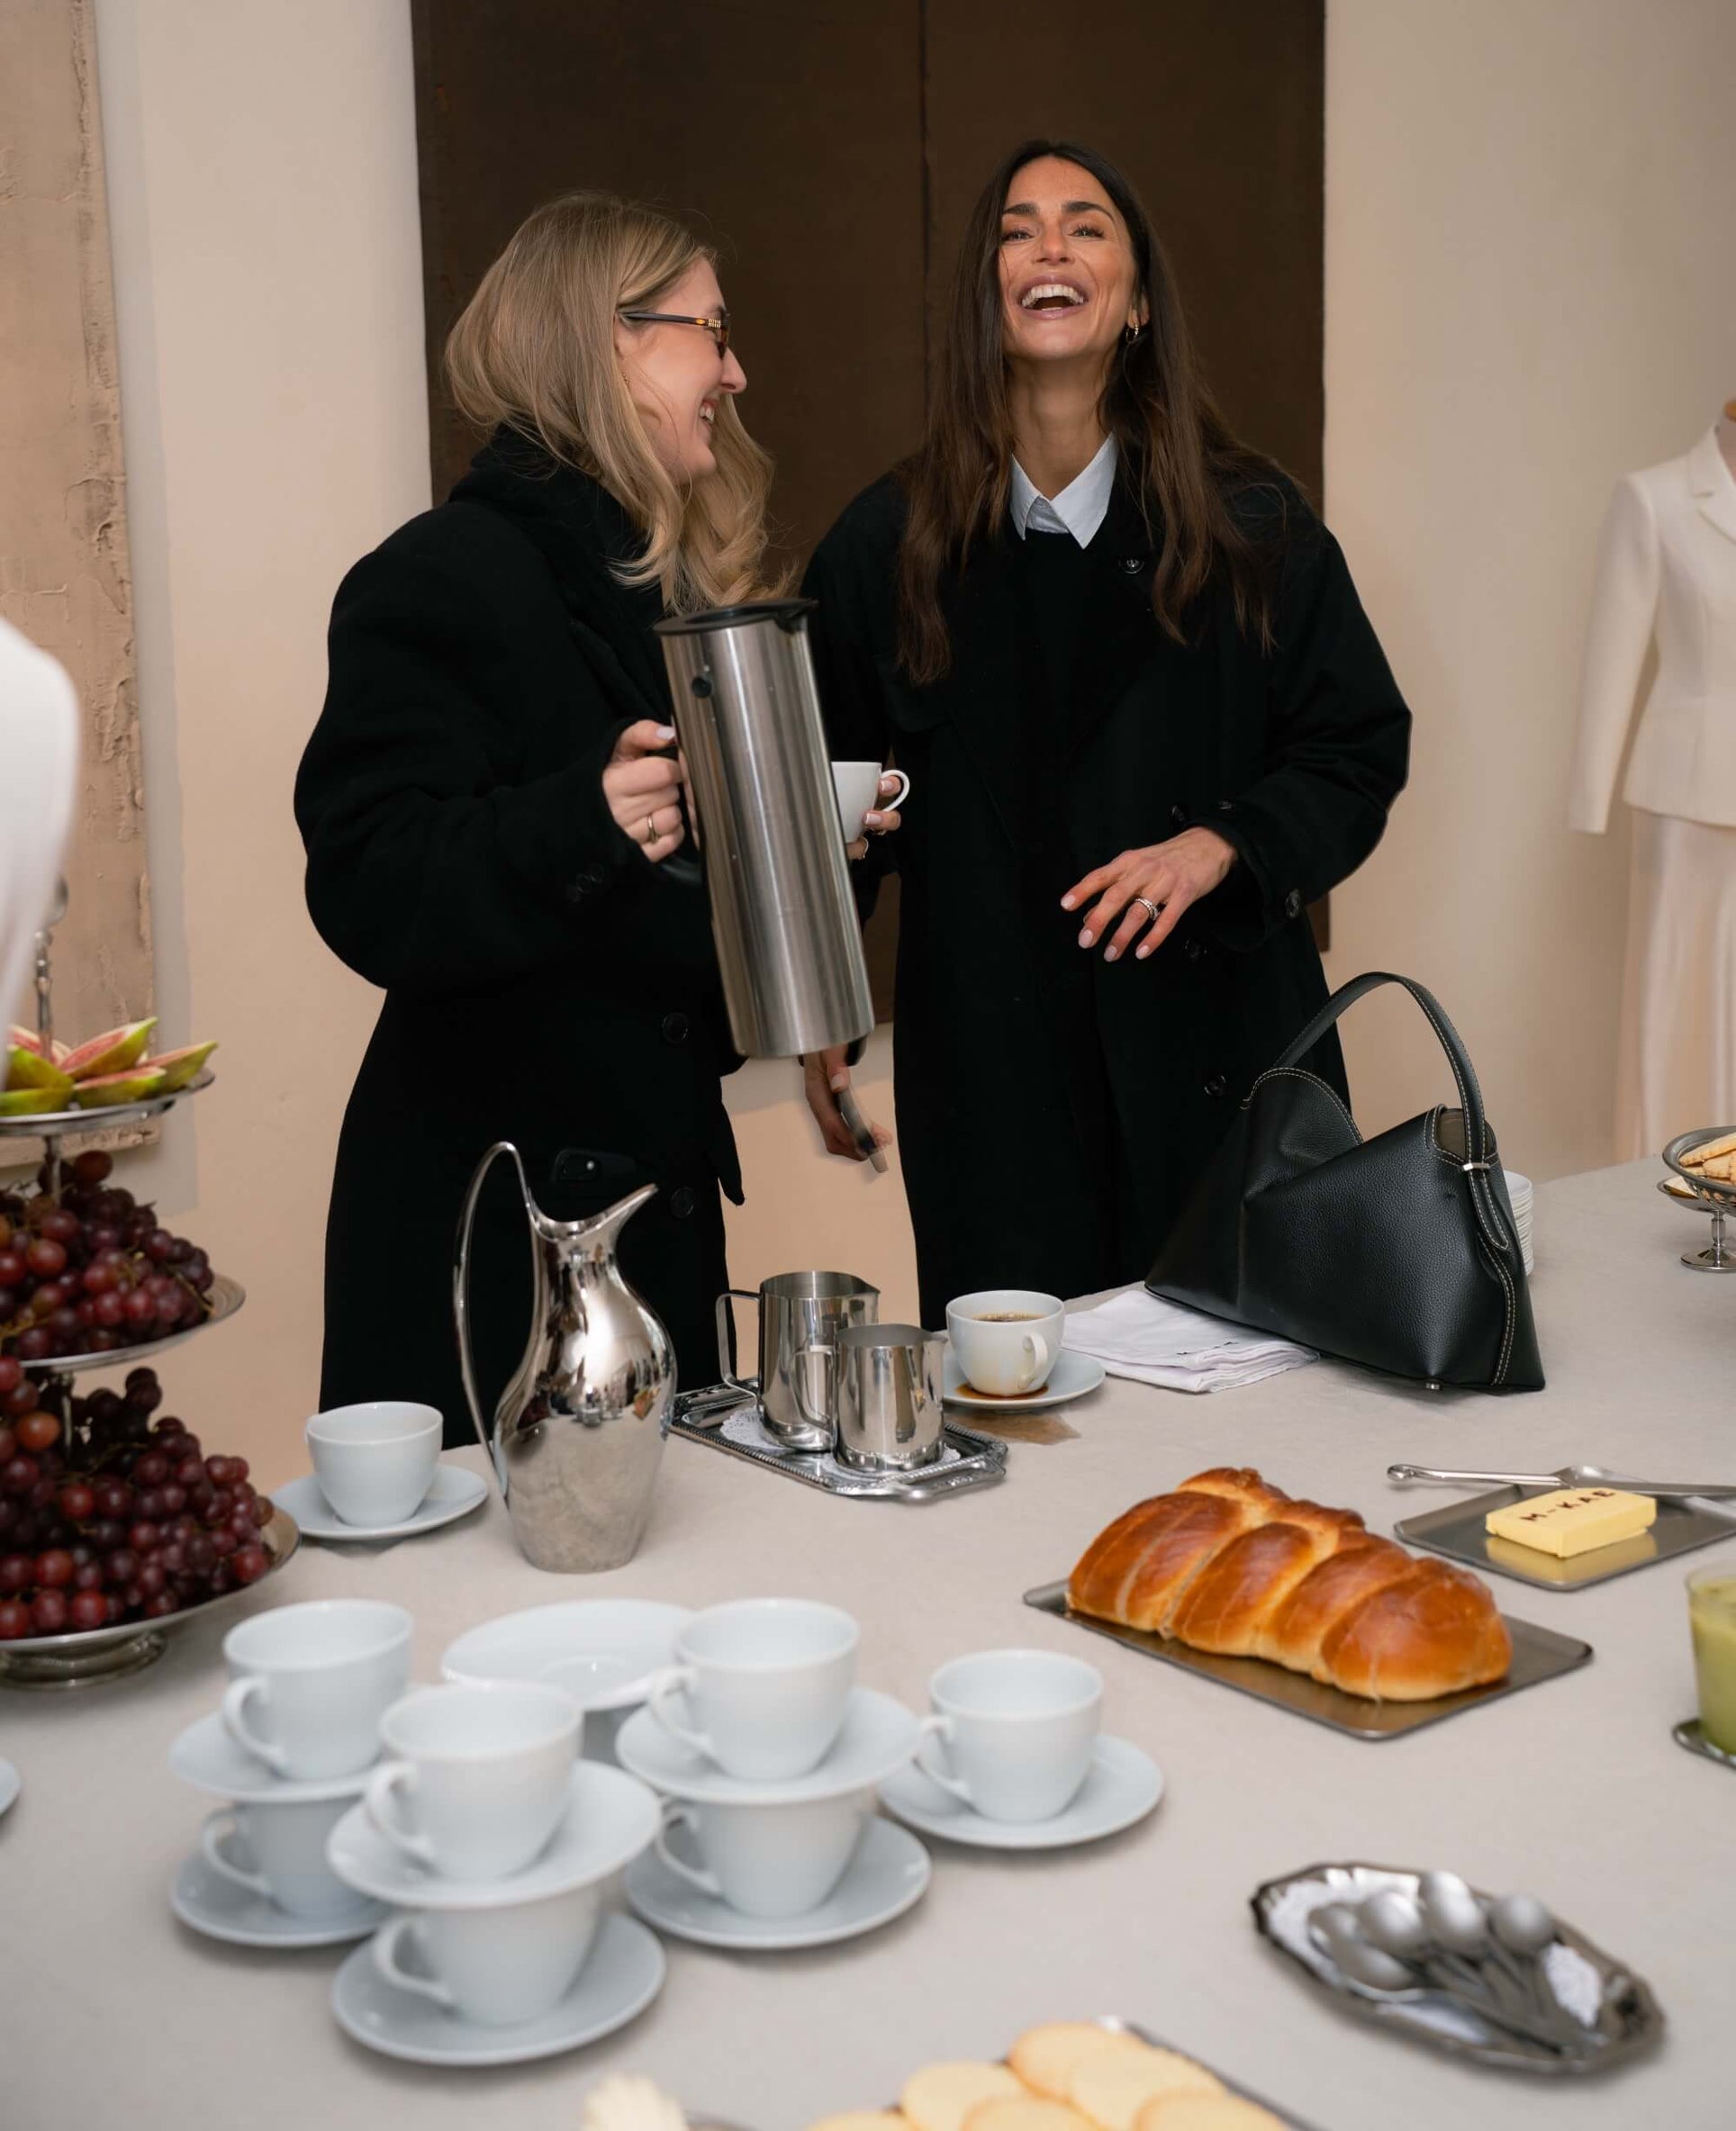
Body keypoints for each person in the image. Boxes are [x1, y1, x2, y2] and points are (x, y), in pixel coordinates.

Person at [801, 139, 1411, 1318]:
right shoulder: (886, 543)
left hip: (1220, 1055)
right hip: (996, 1079)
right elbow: (829, 787)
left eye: (1086, 226)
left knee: (1253, 1396)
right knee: (1025, 1403)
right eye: (1017, 229)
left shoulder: (1252, 524)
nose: (1050, 247)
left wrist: (1224, 844)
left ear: (1135, 303)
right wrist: (819, 986)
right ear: (985, 298)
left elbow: (1356, 746)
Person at [296, 191, 769, 1439]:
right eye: (711, 332)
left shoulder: (656, 583)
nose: (735, 372)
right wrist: (585, 818)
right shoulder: (442, 572)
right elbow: (368, 880)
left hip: (639, 1225)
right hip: (495, 1242)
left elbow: (659, 926)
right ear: (610, 341)